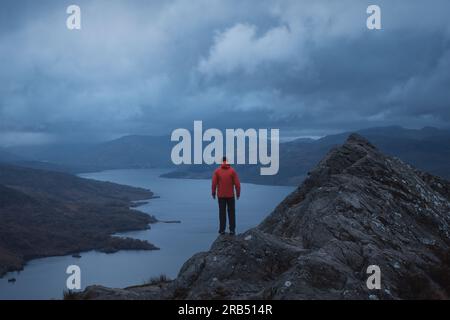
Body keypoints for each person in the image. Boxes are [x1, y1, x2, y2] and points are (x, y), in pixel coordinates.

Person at [212, 156, 241, 235]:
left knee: (222, 213)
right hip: (230, 196)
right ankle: (232, 230)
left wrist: (213, 193)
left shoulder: (217, 171)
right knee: (231, 213)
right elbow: (237, 184)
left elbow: (214, 183)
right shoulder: (232, 171)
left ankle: (222, 230)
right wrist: (238, 194)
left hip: (221, 196)